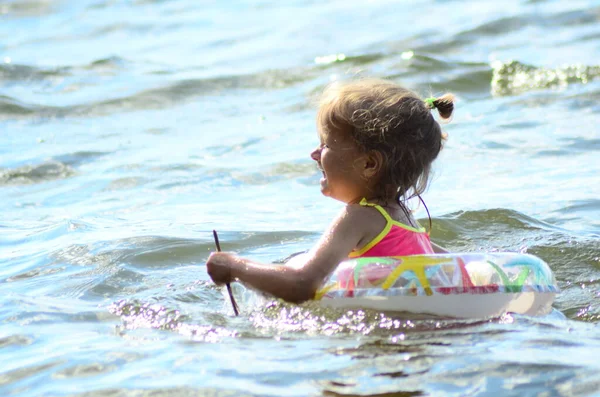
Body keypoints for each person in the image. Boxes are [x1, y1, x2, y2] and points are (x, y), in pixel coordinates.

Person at [206, 78, 454, 304]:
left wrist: (234, 266)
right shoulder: (404, 220)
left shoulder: (359, 217)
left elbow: (302, 284)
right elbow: (450, 266)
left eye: (325, 144)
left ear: (369, 164)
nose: (314, 154)